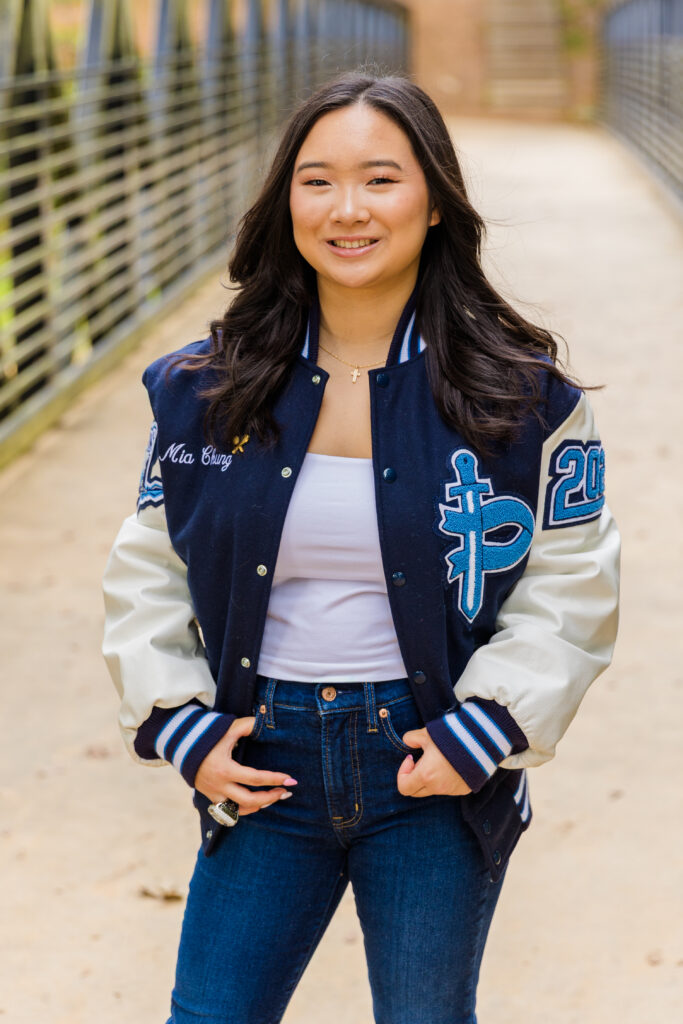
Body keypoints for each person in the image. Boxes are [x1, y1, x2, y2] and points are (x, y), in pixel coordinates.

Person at [102, 71, 620, 1024]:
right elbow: (149, 567)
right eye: (317, 180)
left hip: (430, 761)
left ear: (433, 204)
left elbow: (571, 579)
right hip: (263, 763)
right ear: (284, 202)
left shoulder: (526, 398)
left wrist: (486, 732)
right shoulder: (204, 390)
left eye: (381, 179)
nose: (347, 209)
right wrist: (181, 723)